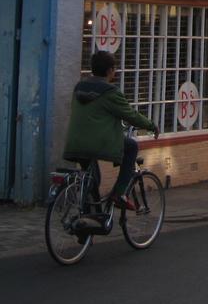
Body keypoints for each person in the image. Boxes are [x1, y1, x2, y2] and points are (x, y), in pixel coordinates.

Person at [63, 50, 158, 211]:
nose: (115, 72)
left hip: (75, 142)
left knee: (92, 180)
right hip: (97, 143)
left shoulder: (79, 87)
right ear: (109, 71)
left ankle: (88, 222)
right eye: (114, 68)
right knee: (131, 146)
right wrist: (151, 125)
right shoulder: (110, 93)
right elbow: (130, 115)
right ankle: (119, 194)